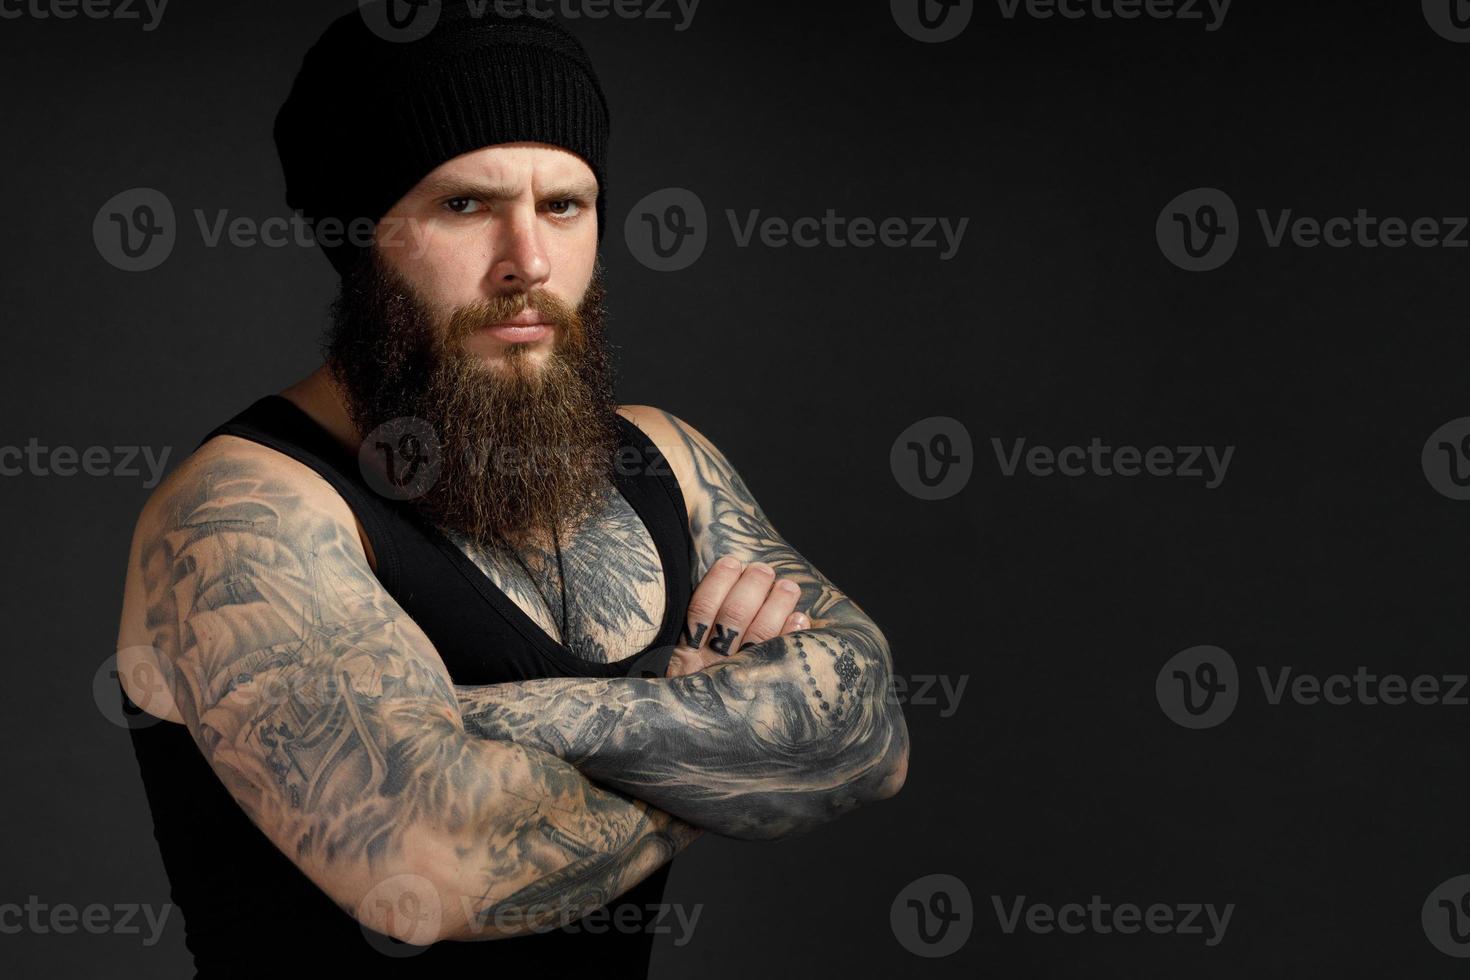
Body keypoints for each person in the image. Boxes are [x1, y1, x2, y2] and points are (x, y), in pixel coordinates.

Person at [113, 4, 908, 975]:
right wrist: (724, 728)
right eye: (465, 204)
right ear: (360, 236)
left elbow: (872, 733)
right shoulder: (245, 511)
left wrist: (502, 725)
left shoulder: (664, 458)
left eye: (564, 205)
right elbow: (434, 868)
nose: (528, 262)